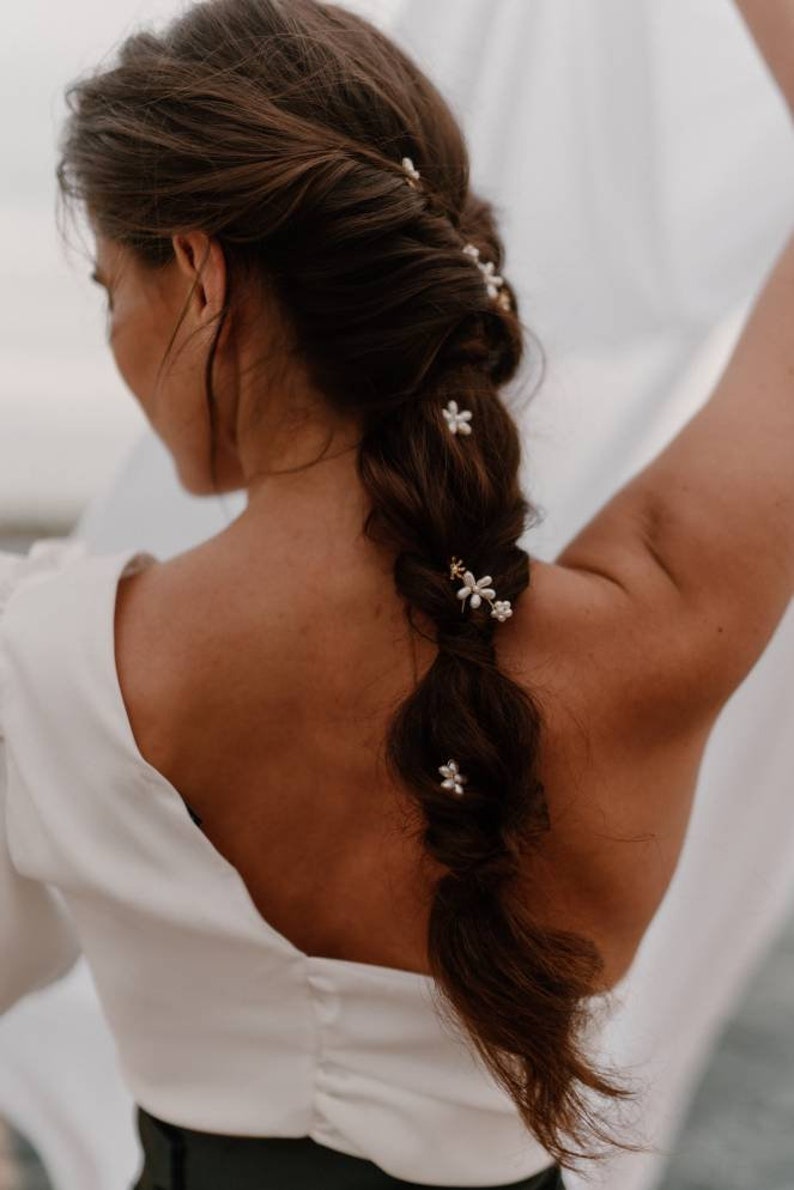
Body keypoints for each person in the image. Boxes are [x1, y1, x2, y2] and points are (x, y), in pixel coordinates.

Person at [0, 0, 791, 1187]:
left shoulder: (47, 660)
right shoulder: (657, 617)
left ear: (203, 277)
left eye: (114, 286)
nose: (117, 335)